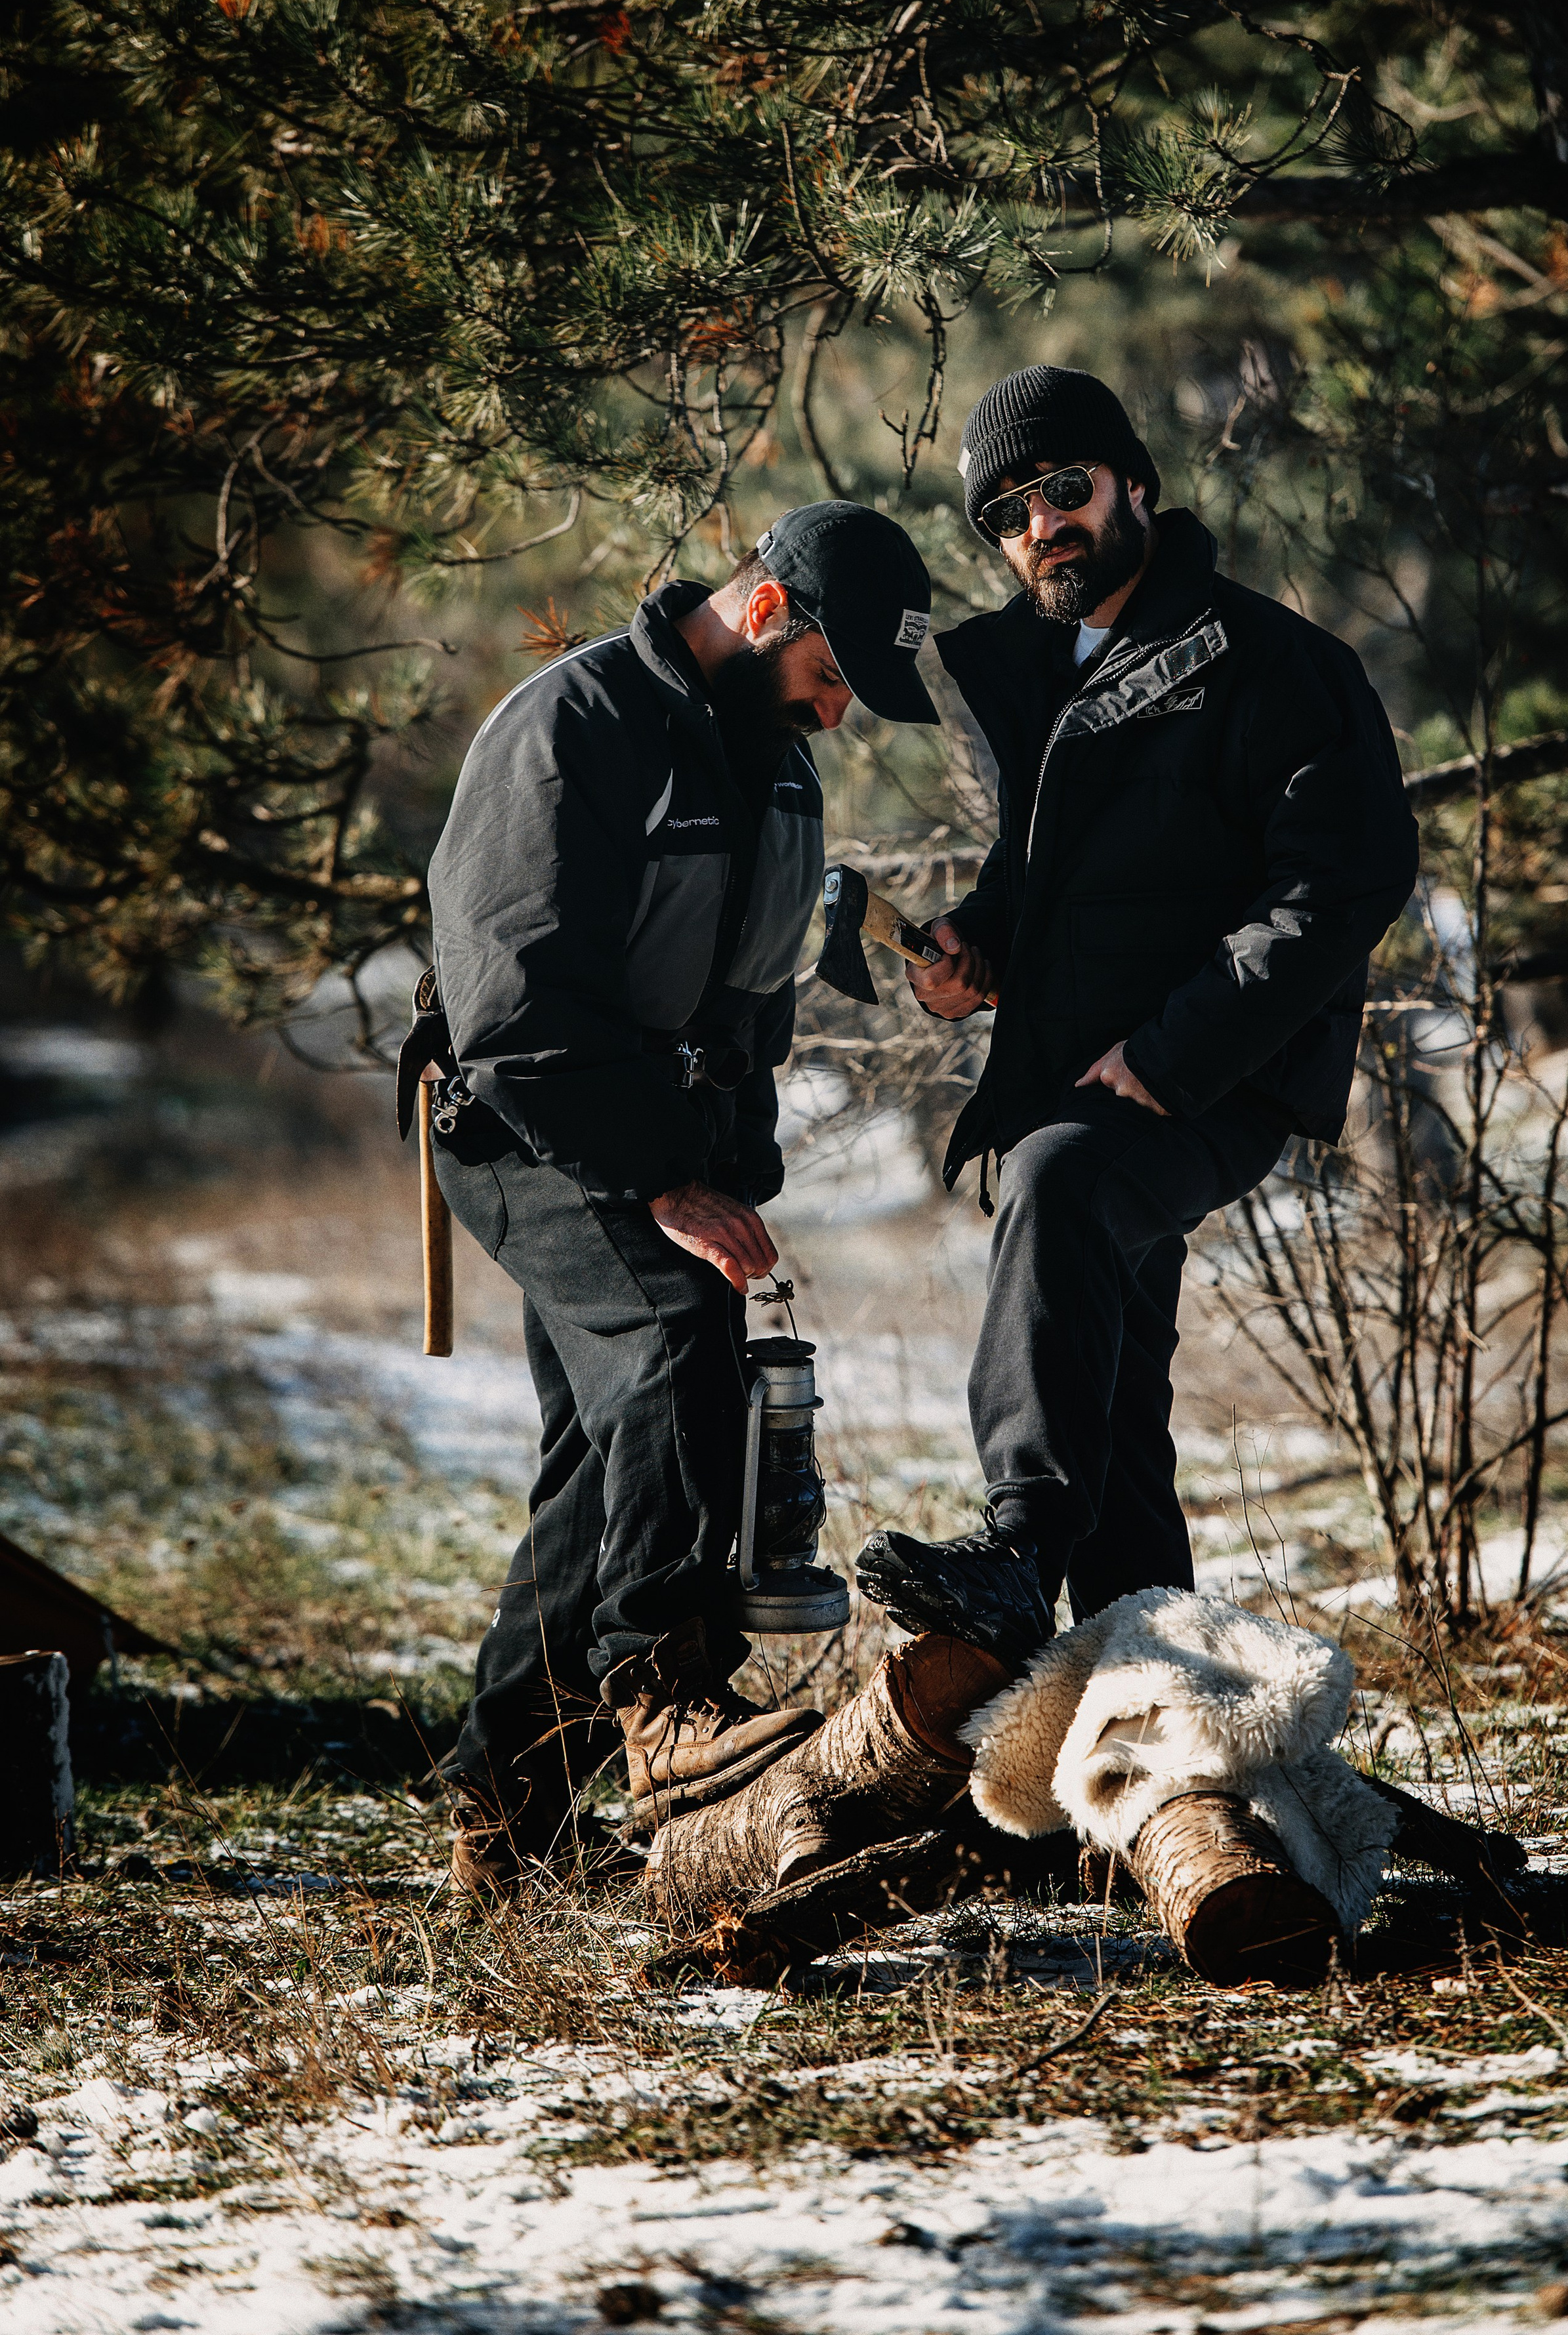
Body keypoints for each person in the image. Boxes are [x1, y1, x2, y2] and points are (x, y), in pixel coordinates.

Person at [856, 365, 1418, 1662]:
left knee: (1052, 1188)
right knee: (1110, 1401)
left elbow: (1341, 884)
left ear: (1132, 487)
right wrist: (977, 945)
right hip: (1078, 1063)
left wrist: (1171, 1056)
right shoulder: (1045, 677)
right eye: (1006, 512)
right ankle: (1144, 1691)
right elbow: (1040, 880)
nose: (1038, 524)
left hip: (1209, 1077)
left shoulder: (1276, 665)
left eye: (1062, 488)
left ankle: (1018, 1550)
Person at [423, 502, 938, 1895]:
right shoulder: (569, 727)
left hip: (658, 1128)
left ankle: (503, 1810)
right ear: (765, 611)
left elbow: (754, 994)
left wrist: (727, 1157)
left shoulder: (778, 769)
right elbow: (511, 1013)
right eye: (831, 678)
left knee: (604, 1466)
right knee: (667, 1345)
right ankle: (663, 1696)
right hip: (525, 1116)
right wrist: (659, 1182)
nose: (836, 716)